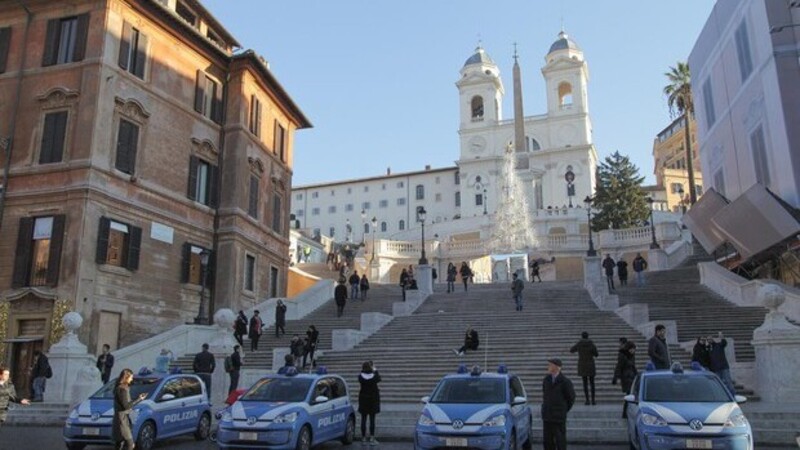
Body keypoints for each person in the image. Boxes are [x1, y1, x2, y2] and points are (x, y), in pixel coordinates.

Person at [541, 358, 575, 450]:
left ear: (557, 367)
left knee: (560, 441)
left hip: (558, 417)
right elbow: (545, 394)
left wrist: (562, 409)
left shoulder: (565, 382)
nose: (548, 367)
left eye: (550, 365)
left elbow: (571, 399)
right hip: (547, 416)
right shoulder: (546, 380)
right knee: (547, 442)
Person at [112, 368, 146, 450]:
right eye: (131, 377)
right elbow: (126, 406)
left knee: (119, 443)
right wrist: (139, 399)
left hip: (121, 418)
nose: (132, 379)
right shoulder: (123, 389)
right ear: (126, 377)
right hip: (122, 420)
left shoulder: (120, 387)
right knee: (130, 444)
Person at [570, 331, 598, 405]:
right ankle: (593, 400)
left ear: (582, 336)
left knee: (585, 383)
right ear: (588, 336)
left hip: (582, 365)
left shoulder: (579, 344)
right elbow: (596, 354)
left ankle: (587, 400)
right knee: (592, 383)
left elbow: (571, 350)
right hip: (591, 365)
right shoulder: (591, 344)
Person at [358, 361, 381, 445]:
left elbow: (361, 375)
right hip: (372, 400)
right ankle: (372, 438)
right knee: (372, 419)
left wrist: (364, 370)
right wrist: (375, 369)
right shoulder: (374, 376)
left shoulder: (360, 376)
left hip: (363, 400)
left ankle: (363, 438)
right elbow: (379, 378)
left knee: (363, 419)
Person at [613, 342, 638, 418]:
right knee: (629, 395)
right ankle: (625, 413)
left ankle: (626, 413)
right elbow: (619, 367)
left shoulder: (631, 356)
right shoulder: (623, 356)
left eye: (634, 349)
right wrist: (616, 377)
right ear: (629, 349)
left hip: (631, 377)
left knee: (630, 395)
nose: (634, 351)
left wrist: (637, 375)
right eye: (633, 349)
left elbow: (633, 367)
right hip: (626, 378)